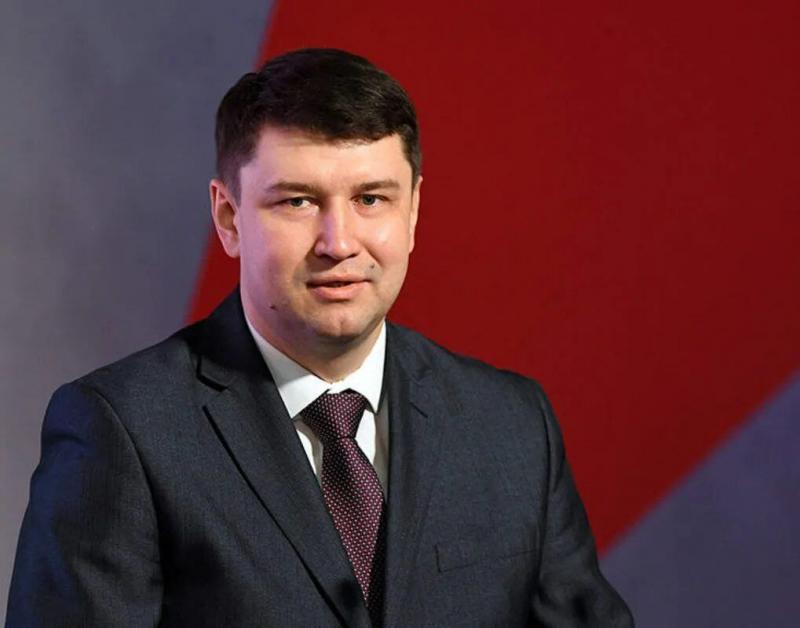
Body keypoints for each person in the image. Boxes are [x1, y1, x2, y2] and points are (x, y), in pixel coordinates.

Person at [6, 48, 633, 627]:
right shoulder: (122, 430)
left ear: (413, 212)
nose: (339, 243)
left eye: (371, 199)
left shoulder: (512, 424)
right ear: (229, 218)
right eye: (298, 202)